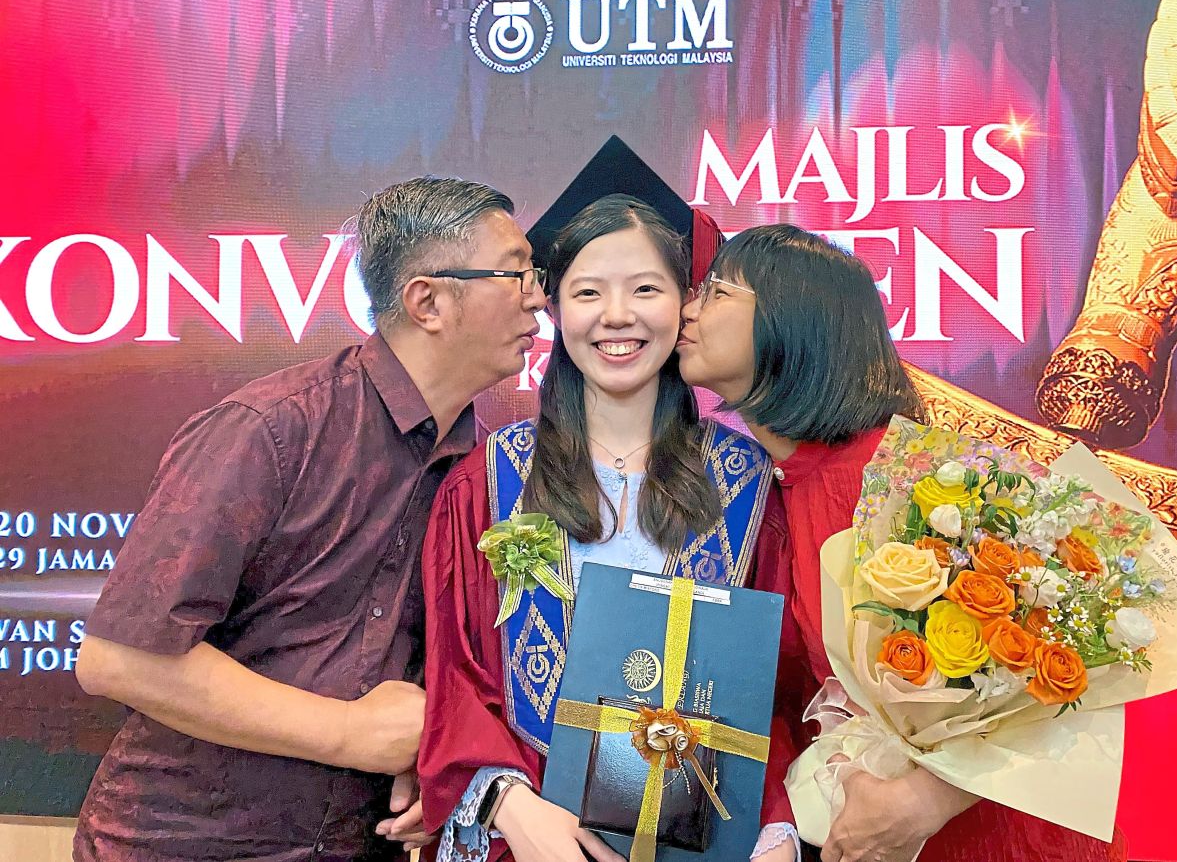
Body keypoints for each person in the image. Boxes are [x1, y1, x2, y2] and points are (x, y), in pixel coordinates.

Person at [72, 176, 547, 862]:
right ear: (428, 301)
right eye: (515, 273)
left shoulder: (485, 470)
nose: (538, 294)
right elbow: (120, 658)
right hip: (188, 844)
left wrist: (433, 772)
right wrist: (352, 732)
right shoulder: (272, 429)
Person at [394, 138, 801, 862]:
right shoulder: (490, 482)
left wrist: (773, 829)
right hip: (532, 836)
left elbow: (772, 692)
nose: (618, 316)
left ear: (685, 304)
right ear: (553, 307)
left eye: (646, 289)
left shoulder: (747, 484)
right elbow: (458, 678)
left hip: (704, 835)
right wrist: (513, 807)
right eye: (588, 292)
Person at [676, 223, 1129, 862]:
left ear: (795, 320)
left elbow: (1063, 667)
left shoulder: (912, 476)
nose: (687, 309)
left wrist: (927, 799)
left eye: (717, 291)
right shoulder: (774, 488)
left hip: (992, 834)